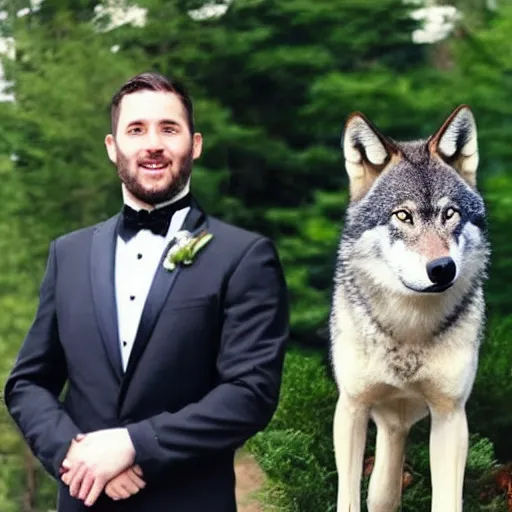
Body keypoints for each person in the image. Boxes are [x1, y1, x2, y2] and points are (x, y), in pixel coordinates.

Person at [4, 72, 289, 511]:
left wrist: (133, 445)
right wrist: (72, 454)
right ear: (112, 146)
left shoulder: (244, 256)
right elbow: (27, 383)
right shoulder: (68, 254)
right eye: (136, 130)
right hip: (85, 500)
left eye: (168, 129)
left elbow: (250, 394)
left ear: (194, 145)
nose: (152, 144)